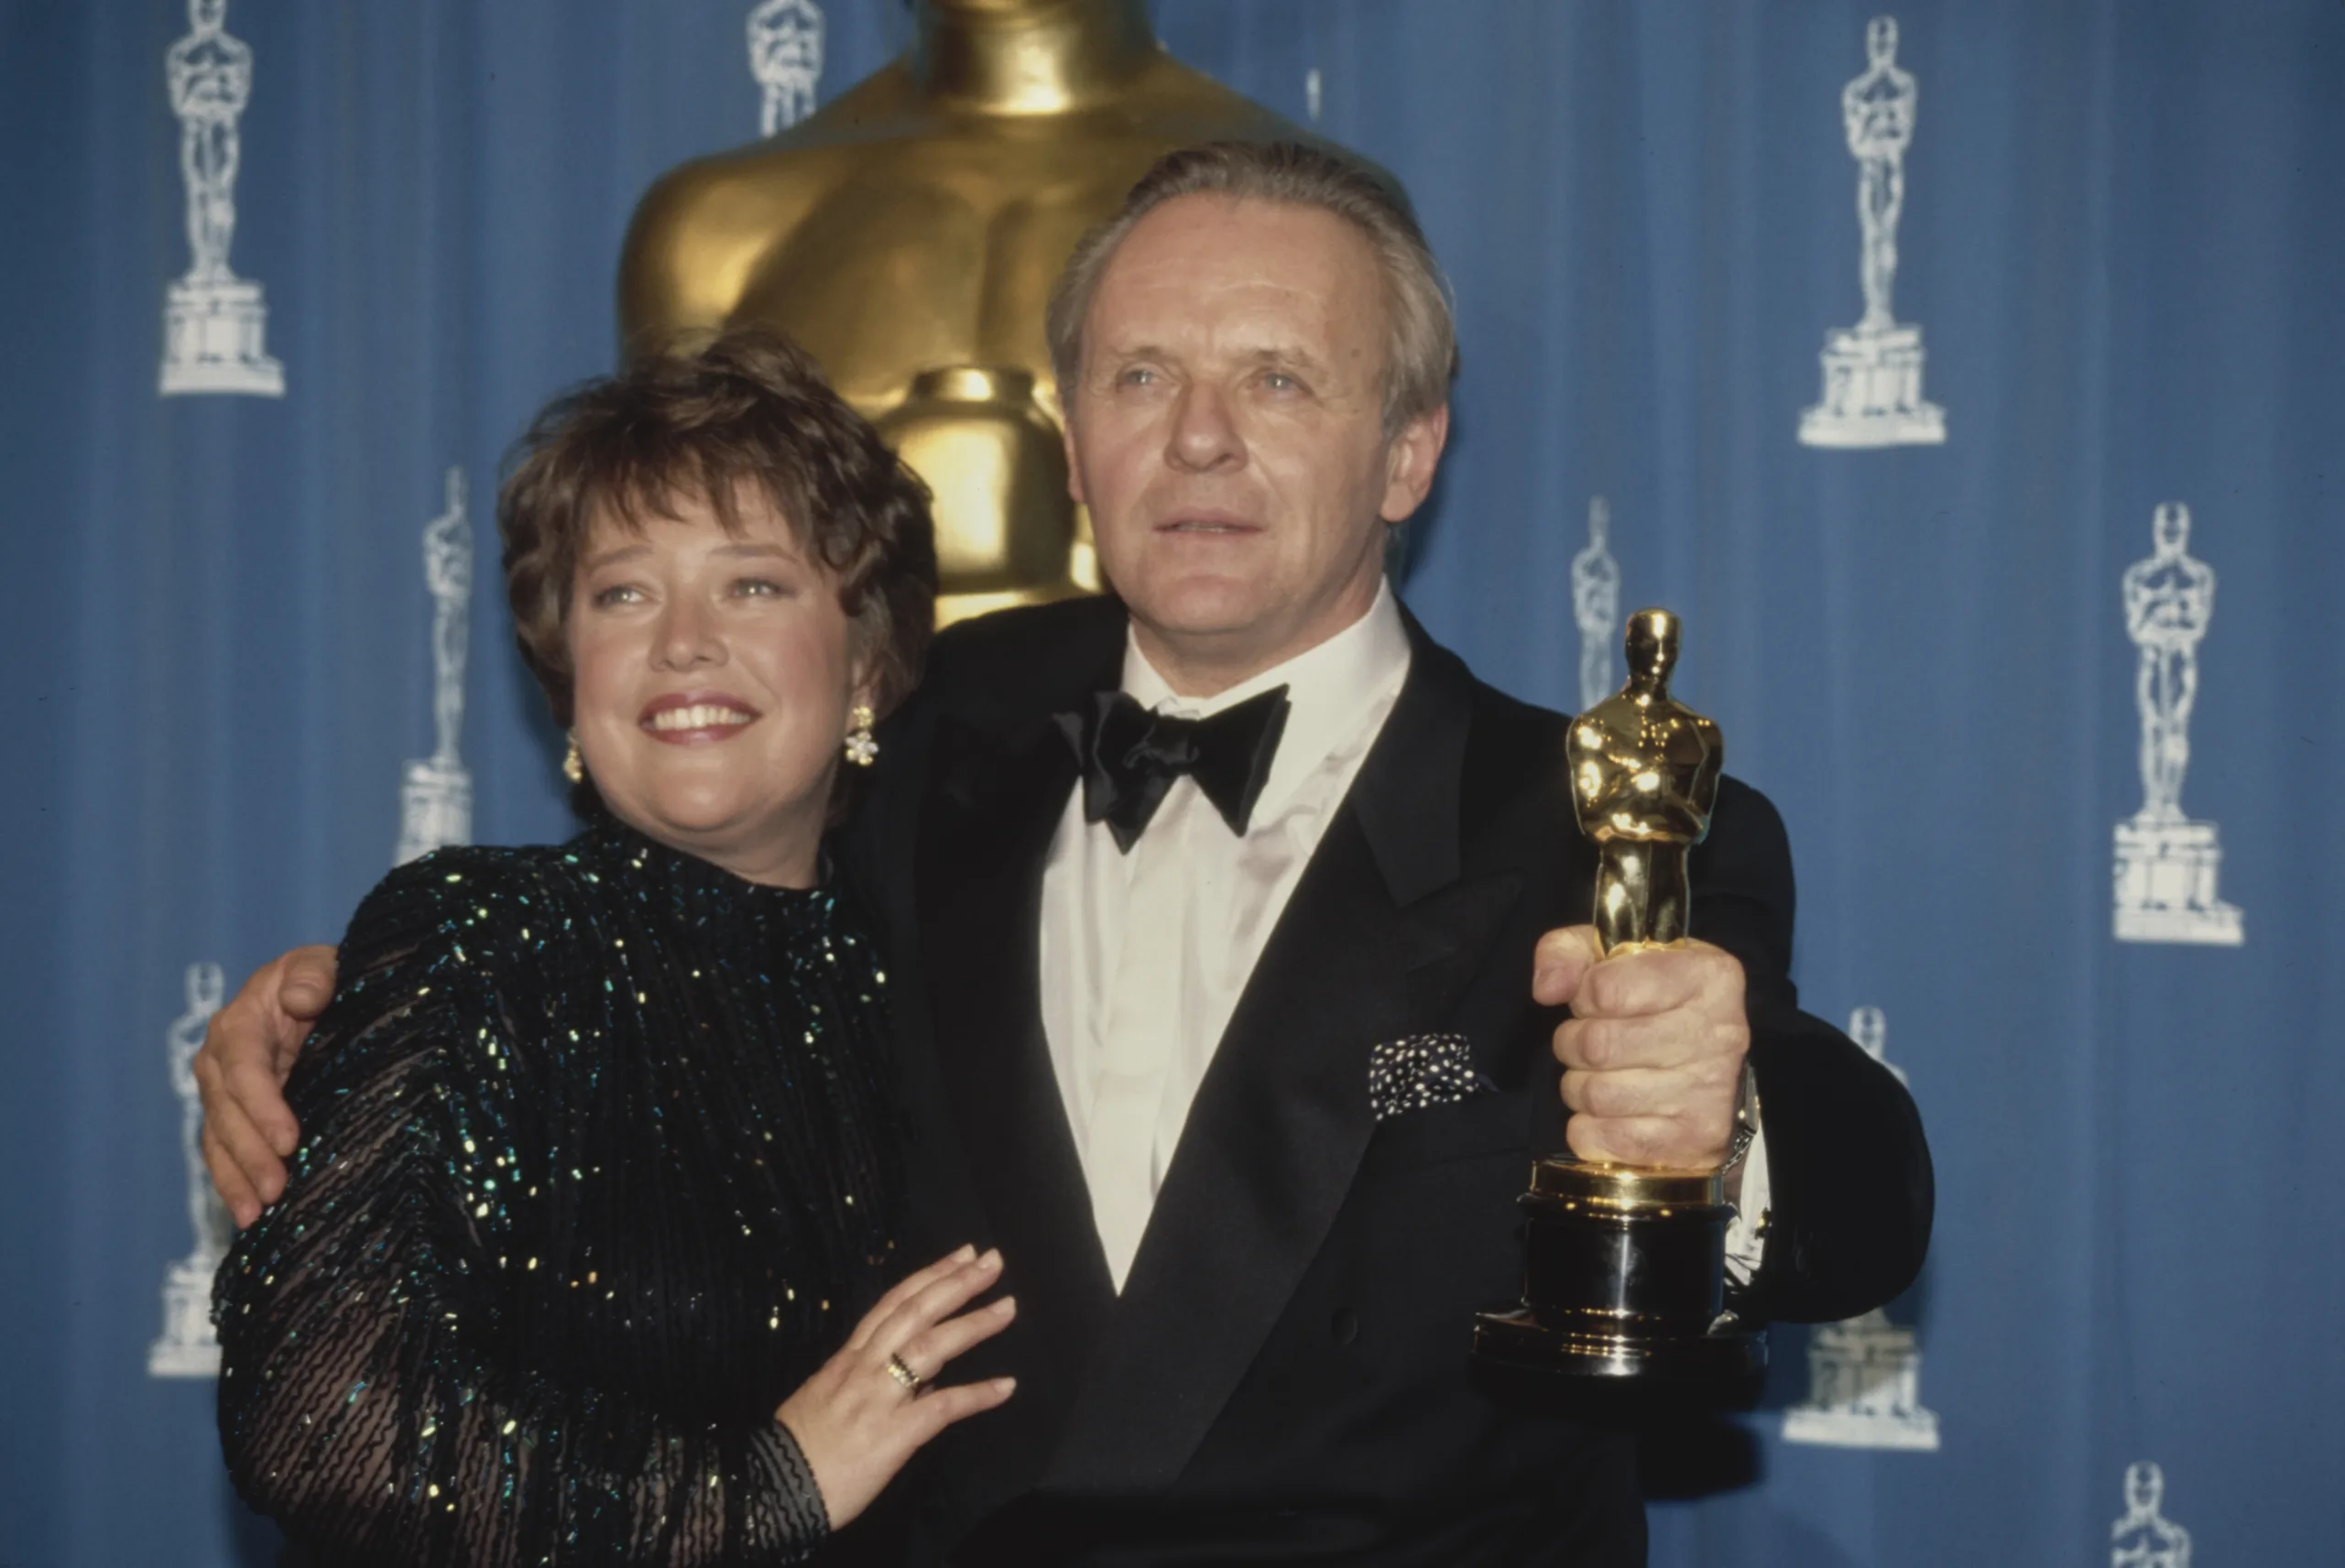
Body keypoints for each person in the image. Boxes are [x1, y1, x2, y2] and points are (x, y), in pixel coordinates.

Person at [202, 143, 1932, 1564]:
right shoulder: (908, 728)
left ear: (1409, 450)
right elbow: (663, 920)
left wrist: (1724, 1125)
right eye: (1142, 376)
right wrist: (345, 1021)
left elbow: (1862, 1205)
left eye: (1277, 378)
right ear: (1070, 433)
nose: (1197, 437)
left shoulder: (1587, 820)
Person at [210, 332, 1019, 1563]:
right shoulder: (475, 944)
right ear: (569, 672)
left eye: (752, 583)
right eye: (623, 591)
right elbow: (323, 1419)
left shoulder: (950, 990)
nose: (681, 641)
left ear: (866, 661)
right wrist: (763, 1489)